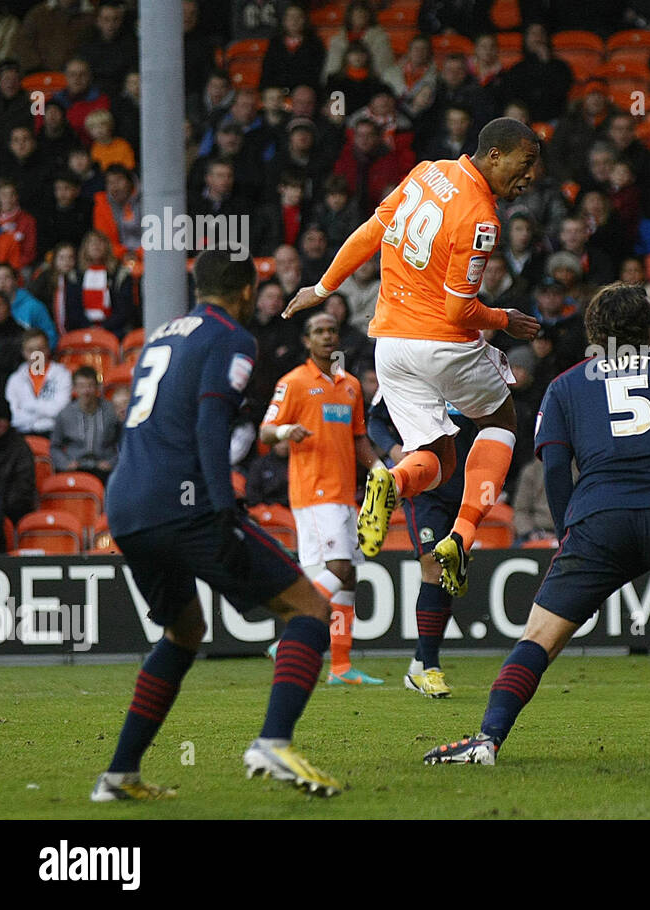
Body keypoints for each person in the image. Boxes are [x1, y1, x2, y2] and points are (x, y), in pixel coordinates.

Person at [424, 284, 650, 764]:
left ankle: (487, 740)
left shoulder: (565, 385)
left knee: (538, 639)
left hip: (597, 521)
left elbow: (555, 469)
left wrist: (567, 531)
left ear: (592, 332)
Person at [94, 251, 343, 801]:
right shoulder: (232, 336)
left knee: (184, 632)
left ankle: (118, 775)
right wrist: (221, 503)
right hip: (186, 504)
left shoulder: (160, 335)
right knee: (310, 608)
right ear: (248, 293)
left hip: (127, 506)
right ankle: (273, 741)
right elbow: (211, 421)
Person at [281, 118, 541, 597]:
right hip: (441, 342)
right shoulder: (481, 216)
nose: (527, 178)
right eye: (524, 166)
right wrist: (505, 318)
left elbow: (370, 232)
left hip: (391, 347)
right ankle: (461, 539)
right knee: (502, 420)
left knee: (437, 459)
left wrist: (323, 287)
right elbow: (459, 309)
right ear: (496, 155)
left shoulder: (425, 171)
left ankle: (394, 481)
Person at [259, 313, 382, 686]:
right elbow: (265, 432)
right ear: (306, 340)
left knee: (348, 580)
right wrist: (284, 431)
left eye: (331, 330)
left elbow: (358, 437)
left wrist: (377, 468)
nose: (327, 336)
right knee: (340, 567)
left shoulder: (350, 386)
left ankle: (341, 667)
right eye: (319, 331)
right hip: (314, 492)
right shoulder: (293, 383)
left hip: (345, 492)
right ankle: (288, 637)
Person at [367, 397, 477, 699]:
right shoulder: (412, 366)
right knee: (434, 563)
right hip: (424, 487)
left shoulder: (471, 372)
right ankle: (430, 669)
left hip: (465, 487)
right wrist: (393, 450)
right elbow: (374, 419)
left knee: (451, 573)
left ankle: (419, 663)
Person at [50, 365, 119, 482]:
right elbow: (55, 446)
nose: (86, 391)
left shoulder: (111, 412)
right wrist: (66, 463)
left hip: (105, 469)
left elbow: (124, 443)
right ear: (74, 389)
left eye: (90, 386)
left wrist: (112, 462)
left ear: (97, 387)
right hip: (75, 468)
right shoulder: (65, 414)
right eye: (81, 386)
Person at [0, 394, 34, 553]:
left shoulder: (19, 446)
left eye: (2, 419)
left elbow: (24, 484)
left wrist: (3, 505)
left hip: (12, 506)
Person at [4, 329, 71, 436]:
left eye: (40, 349)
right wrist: (44, 412)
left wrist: (28, 406)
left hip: (54, 433)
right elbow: (14, 416)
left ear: (48, 349)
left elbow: (60, 410)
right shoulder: (15, 379)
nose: (36, 355)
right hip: (22, 434)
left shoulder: (62, 375)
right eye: (30, 350)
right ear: (23, 353)